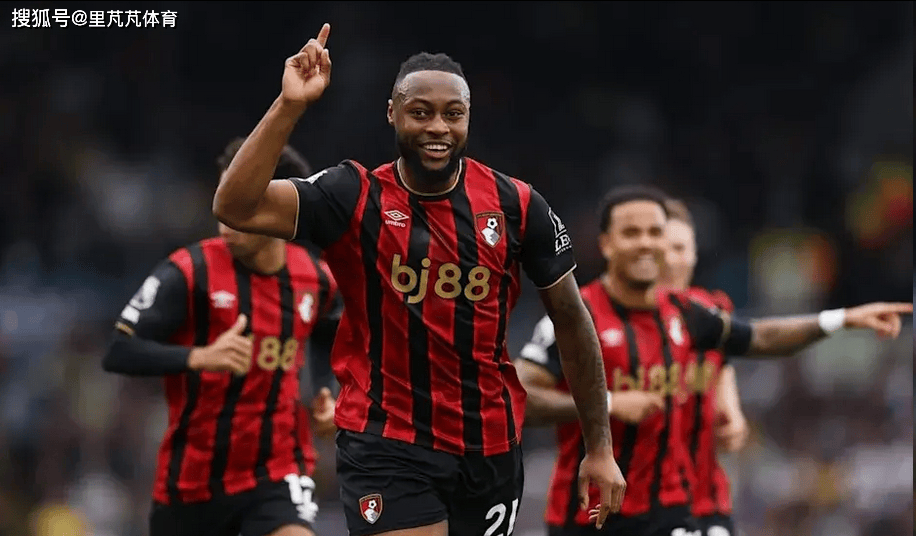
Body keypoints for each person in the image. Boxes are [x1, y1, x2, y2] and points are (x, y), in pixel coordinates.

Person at [211, 23, 626, 536]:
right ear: (392, 112)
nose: (438, 127)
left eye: (453, 114)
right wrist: (289, 105)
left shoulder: (517, 205)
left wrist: (599, 447)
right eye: (421, 112)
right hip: (386, 442)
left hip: (490, 448)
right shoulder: (352, 195)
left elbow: (571, 319)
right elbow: (235, 206)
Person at [515, 185, 912, 536]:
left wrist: (840, 319)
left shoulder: (688, 314)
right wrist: (609, 403)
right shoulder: (574, 319)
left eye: (656, 233)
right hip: (585, 517)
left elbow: (757, 337)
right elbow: (519, 396)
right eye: (631, 233)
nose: (646, 244)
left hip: (669, 513)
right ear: (606, 244)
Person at [102, 139, 342, 536]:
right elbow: (119, 351)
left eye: (240, 201)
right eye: (222, 198)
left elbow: (329, 336)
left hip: (277, 472)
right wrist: (198, 357)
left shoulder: (316, 279)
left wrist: (326, 392)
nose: (225, 216)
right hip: (191, 483)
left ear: (278, 210)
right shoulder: (189, 271)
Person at [657, 198, 748, 536]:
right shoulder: (616, 321)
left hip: (706, 503)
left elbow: (723, 374)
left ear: (695, 253)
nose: (671, 259)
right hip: (640, 508)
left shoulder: (713, 313)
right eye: (663, 249)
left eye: (680, 248)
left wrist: (734, 418)